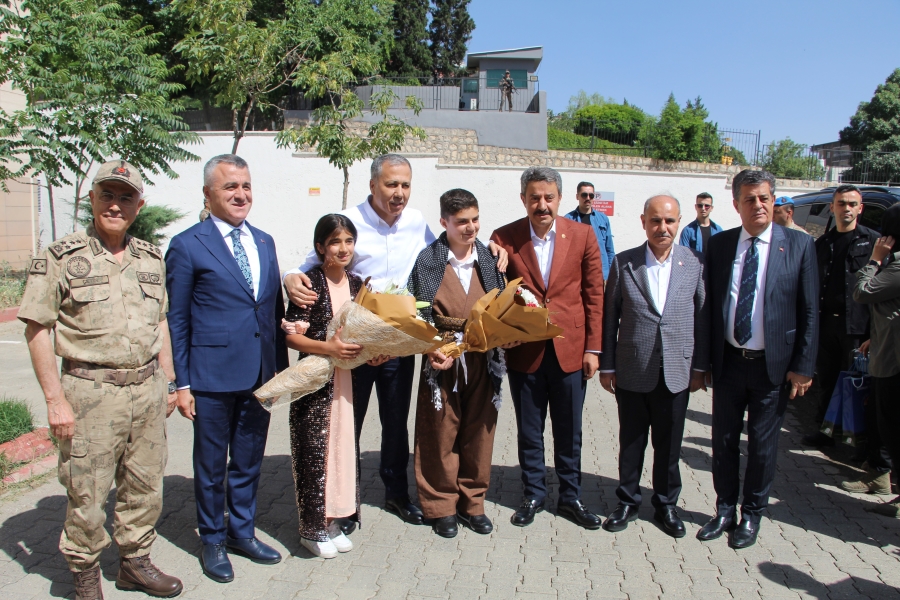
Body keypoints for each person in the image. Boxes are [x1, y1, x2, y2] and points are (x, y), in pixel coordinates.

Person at [282, 154, 508, 529]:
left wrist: (494, 247)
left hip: (400, 344)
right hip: (355, 345)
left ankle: (396, 493)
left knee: (395, 423)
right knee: (347, 423)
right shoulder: (348, 220)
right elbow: (309, 263)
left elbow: (455, 241)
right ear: (373, 185)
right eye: (391, 184)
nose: (399, 193)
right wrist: (290, 276)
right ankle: (344, 502)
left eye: (405, 185)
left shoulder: (417, 222)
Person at [19, 160, 183, 599]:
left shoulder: (149, 257)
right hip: (90, 393)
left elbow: (161, 323)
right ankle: (85, 576)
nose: (115, 204)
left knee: (145, 485)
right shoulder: (59, 257)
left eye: (125, 196)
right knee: (86, 491)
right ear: (91, 199)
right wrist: (55, 401)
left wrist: (168, 381)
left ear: (139, 204)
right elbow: (37, 328)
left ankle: (135, 563)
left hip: (146, 390)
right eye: (107, 195)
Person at [166, 154, 289, 583]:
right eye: (229, 187)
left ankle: (242, 531)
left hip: (259, 374)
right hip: (211, 377)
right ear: (208, 194)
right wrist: (181, 383)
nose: (240, 195)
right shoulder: (187, 244)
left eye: (246, 186)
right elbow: (177, 320)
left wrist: (280, 373)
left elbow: (271, 311)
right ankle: (213, 539)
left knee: (250, 460)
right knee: (212, 464)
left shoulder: (264, 241)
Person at [698, 169, 818, 550]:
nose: (758, 205)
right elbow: (707, 308)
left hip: (774, 367)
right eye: (749, 199)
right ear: (736, 205)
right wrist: (702, 364)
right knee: (724, 441)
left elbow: (810, 311)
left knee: (763, 446)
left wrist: (803, 366)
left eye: (765, 197)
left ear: (774, 200)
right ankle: (724, 509)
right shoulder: (720, 246)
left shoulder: (798, 245)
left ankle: (752, 514)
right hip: (730, 362)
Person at [490, 166, 605, 530]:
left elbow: (593, 294)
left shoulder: (583, 235)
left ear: (560, 199)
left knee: (569, 430)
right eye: (534, 197)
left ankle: (570, 496)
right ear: (523, 199)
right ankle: (534, 493)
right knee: (529, 429)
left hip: (571, 350)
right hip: (525, 350)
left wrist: (594, 349)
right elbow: (494, 292)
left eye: (549, 197)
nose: (542, 204)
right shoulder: (503, 238)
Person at [599, 194, 710, 538]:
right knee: (631, 442)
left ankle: (666, 505)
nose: (663, 228)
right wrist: (607, 365)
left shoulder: (695, 262)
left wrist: (699, 368)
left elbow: (703, 317)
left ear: (679, 222)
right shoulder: (624, 263)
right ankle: (628, 501)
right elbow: (610, 317)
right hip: (633, 368)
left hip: (676, 371)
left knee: (669, 446)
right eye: (656, 221)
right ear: (644, 222)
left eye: (670, 221)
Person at [407, 189, 507, 539]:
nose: (470, 228)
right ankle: (440, 505)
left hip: (484, 358)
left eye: (475, 219)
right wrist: (432, 346)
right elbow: (416, 310)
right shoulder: (428, 260)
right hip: (443, 359)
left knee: (480, 430)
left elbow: (504, 304)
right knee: (439, 431)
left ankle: (473, 503)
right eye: (461, 221)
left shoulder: (492, 259)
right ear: (444, 222)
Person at [282, 215, 363, 558]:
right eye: (335, 242)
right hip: (315, 381)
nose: (343, 249)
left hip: (345, 380)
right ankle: (310, 528)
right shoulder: (308, 284)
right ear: (320, 247)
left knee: (340, 447)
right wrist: (329, 348)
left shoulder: (359, 284)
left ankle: (333, 519)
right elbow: (291, 338)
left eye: (348, 241)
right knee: (314, 450)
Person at [802, 187, 880, 459]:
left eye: (851, 204)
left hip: (857, 327)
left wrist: (874, 333)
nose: (846, 208)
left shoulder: (872, 242)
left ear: (861, 208)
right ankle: (825, 433)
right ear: (832, 207)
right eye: (840, 204)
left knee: (858, 386)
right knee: (828, 380)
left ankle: (860, 443)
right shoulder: (823, 243)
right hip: (827, 324)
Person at [853, 204, 900, 518]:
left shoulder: (895, 267)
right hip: (886, 352)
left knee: (892, 430)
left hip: (893, 365)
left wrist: (874, 259)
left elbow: (862, 290)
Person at [564, 181, 616, 281]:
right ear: (577, 196)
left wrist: (610, 274)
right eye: (584, 195)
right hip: (577, 276)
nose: (588, 198)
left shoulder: (603, 219)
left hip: (601, 275)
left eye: (591, 195)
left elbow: (609, 250)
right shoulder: (568, 220)